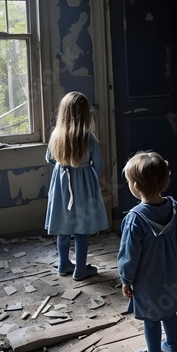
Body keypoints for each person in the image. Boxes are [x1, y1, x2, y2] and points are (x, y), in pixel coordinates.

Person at [118, 150, 177, 352]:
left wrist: (126, 279)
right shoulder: (175, 207)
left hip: (147, 280)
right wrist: (173, 259)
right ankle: (172, 346)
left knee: (151, 318)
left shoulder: (135, 219)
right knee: (169, 311)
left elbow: (129, 254)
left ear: (136, 186)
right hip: (170, 272)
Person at [45, 91, 109, 280]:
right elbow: (99, 165)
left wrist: (62, 168)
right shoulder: (88, 137)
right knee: (82, 227)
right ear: (85, 113)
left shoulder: (56, 135)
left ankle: (63, 264)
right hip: (83, 188)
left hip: (61, 186)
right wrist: (90, 180)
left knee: (63, 227)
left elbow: (49, 158)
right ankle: (80, 268)